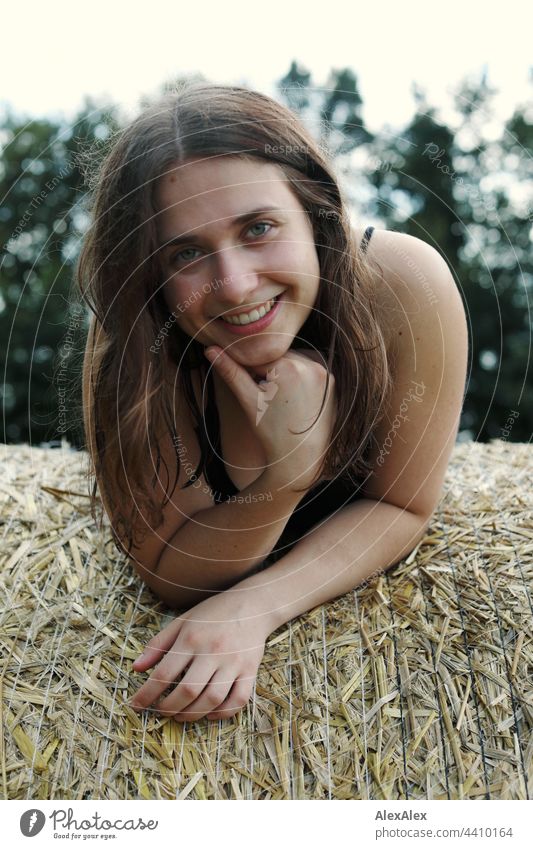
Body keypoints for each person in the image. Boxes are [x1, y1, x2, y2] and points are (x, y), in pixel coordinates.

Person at [78, 81, 468, 722]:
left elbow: (401, 503)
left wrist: (255, 605)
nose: (234, 286)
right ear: (151, 271)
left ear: (313, 212)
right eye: (186, 253)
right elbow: (172, 573)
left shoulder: (405, 287)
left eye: (258, 228)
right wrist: (283, 480)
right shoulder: (139, 334)